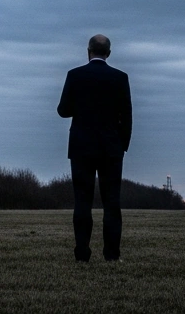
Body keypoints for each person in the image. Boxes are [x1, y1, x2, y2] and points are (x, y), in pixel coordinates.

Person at [57, 33, 132, 262]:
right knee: (112, 203)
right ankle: (111, 255)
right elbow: (127, 116)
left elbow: (63, 110)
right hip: (111, 148)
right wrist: (123, 146)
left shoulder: (75, 75)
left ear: (88, 51)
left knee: (82, 202)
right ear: (108, 53)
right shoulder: (120, 78)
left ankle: (82, 254)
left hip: (81, 147)